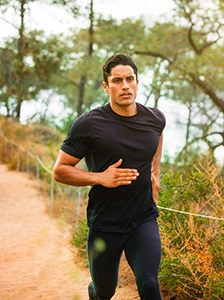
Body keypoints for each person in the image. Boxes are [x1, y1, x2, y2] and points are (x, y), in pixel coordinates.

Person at [53, 53, 165, 300]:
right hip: (105, 223)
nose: (125, 86)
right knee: (104, 291)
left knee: (148, 284)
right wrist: (101, 178)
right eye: (117, 81)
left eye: (130, 79)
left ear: (137, 82)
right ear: (106, 86)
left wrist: (155, 173)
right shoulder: (89, 125)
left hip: (142, 218)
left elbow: (157, 137)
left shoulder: (154, 119)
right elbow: (60, 170)